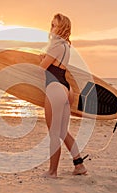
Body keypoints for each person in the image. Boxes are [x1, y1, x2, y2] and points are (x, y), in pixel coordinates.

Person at [39, 13, 88, 178]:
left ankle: (52, 172)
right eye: (51, 24)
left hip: (54, 88)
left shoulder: (55, 45)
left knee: (54, 133)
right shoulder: (66, 47)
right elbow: (55, 64)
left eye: (55, 25)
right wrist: (46, 58)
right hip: (66, 89)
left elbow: (42, 68)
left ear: (62, 27)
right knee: (62, 132)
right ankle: (79, 164)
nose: (51, 28)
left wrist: (42, 59)